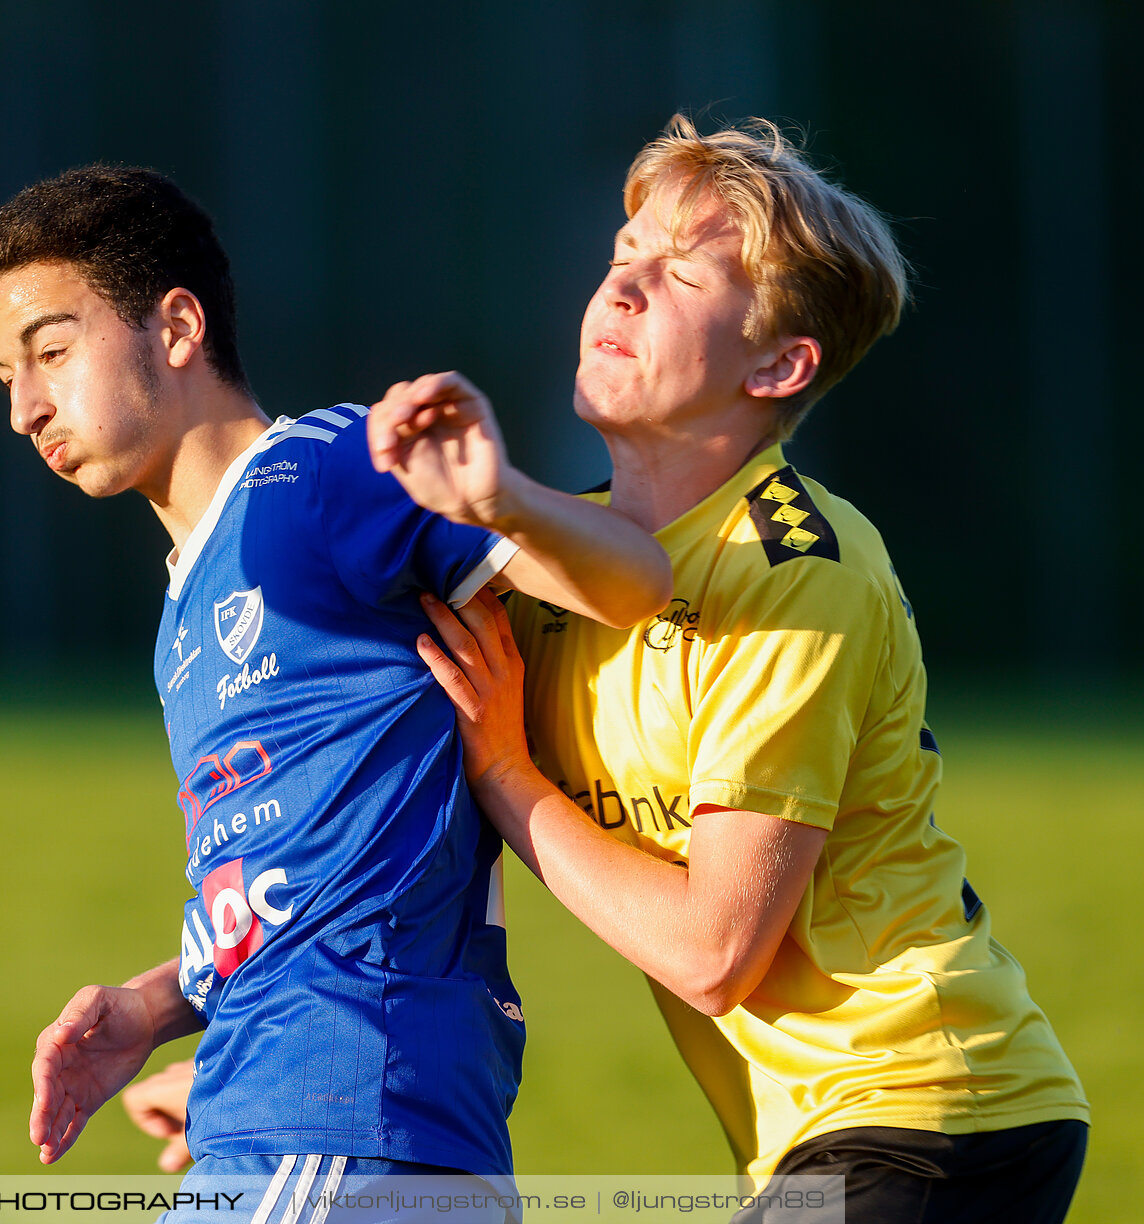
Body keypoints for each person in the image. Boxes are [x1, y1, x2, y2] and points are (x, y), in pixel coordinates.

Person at [374, 116, 1088, 1222]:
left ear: (780, 364)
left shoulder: (799, 567)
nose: (622, 289)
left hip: (939, 1115)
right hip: (816, 1146)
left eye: (680, 274)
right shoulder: (549, 568)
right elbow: (395, 854)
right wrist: (258, 1078)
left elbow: (714, 952)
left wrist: (509, 774)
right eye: (622, 259)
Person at [0, 165, 672, 1217]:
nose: (23, 407)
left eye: (51, 352)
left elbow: (632, 583)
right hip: (292, 1128)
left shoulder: (324, 474)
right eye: (3, 374)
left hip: (342, 1119)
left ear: (178, 327)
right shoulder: (186, 603)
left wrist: (502, 499)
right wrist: (154, 1006)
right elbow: (307, 870)